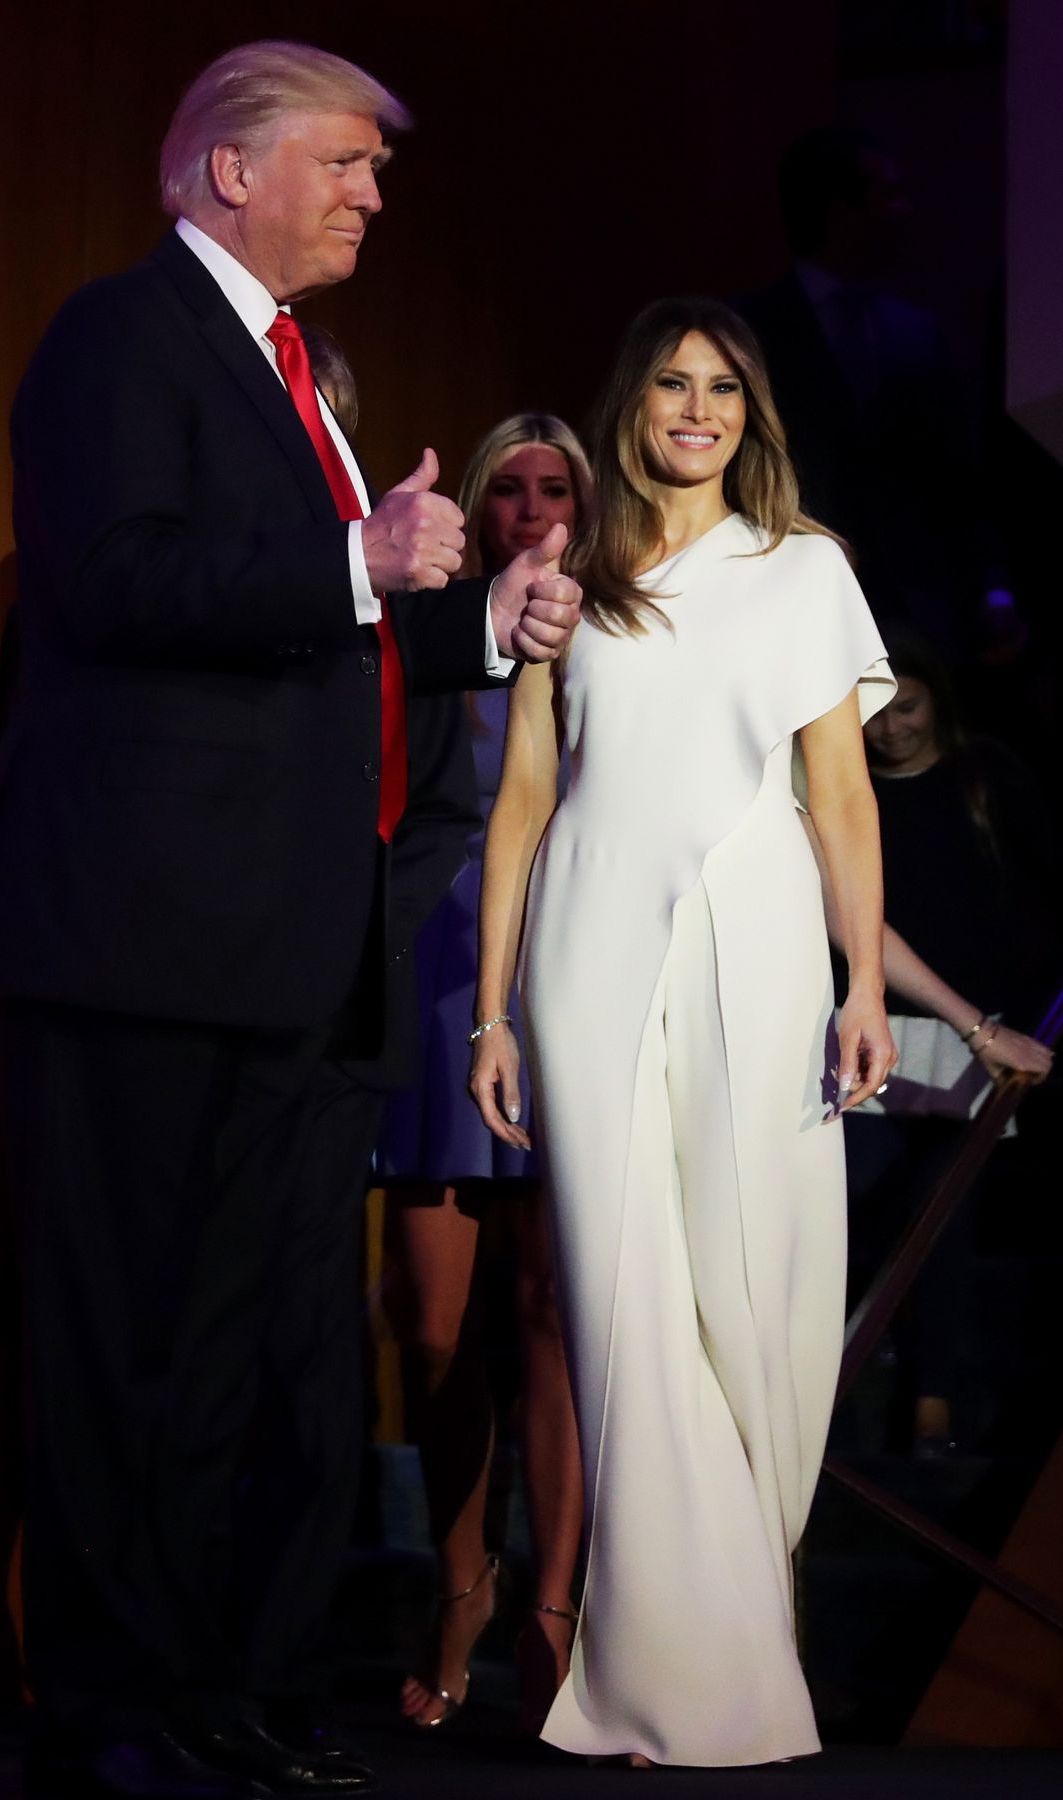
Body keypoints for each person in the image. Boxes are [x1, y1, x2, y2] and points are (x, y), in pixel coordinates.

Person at [0, 40, 581, 1800]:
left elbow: (316, 638)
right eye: (344, 164)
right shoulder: (120, 339)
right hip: (142, 943)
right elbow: (114, 581)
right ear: (228, 172)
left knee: (261, 1346)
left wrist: (473, 629)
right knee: (126, 1334)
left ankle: (228, 1687)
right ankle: (105, 1704)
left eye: (376, 173)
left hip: (289, 951)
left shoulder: (302, 370)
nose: (373, 196)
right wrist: (355, 568)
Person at [470, 296, 898, 1767]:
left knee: (750, 1291)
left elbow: (841, 792)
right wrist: (488, 1010)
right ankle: (662, 1680)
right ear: (633, 405)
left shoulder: (803, 569)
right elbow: (524, 800)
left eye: (723, 387)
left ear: (750, 413)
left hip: (760, 935)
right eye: (672, 384)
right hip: (586, 943)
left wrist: (861, 982)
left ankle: (735, 1638)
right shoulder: (569, 573)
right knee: (620, 1302)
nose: (698, 409)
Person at [377, 415, 590, 1731]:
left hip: (571, 982)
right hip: (440, 985)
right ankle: (462, 1585)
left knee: (558, 1319)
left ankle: (554, 1612)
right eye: (504, 487)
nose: (526, 507)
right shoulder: (439, 636)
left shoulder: (619, 637)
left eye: (552, 486)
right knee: (434, 1324)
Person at [841, 632, 1058, 1452]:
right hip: (880, 1028)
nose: (894, 729)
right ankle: (850, 1376)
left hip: (981, 1032)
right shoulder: (852, 793)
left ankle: (931, 1389)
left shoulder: (984, 777)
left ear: (936, 700)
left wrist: (1022, 1019)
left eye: (909, 707)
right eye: (878, 715)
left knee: (944, 1211)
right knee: (865, 1202)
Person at [739, 126, 1018, 663]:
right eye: (886, 194)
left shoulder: (915, 331)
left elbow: (956, 477)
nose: (903, 211)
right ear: (838, 209)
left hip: (921, 612)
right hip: (792, 604)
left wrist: (992, 587)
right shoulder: (748, 331)